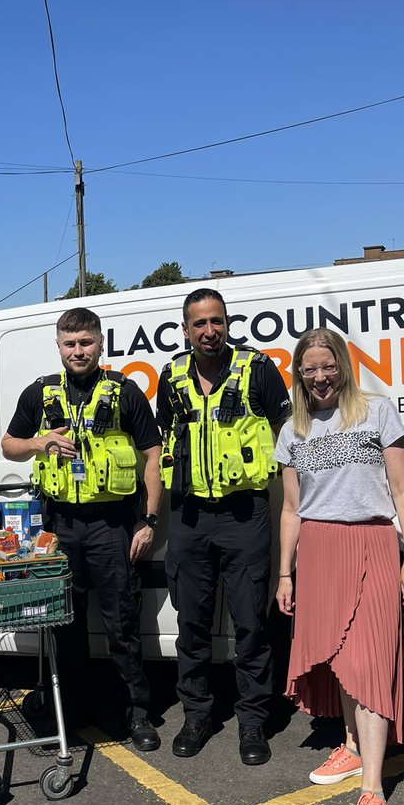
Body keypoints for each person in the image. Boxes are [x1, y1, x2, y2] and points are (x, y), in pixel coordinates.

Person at [275, 328, 404, 805]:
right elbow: (292, 510)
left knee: (370, 661)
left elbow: (403, 489)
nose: (319, 377)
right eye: (309, 369)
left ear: (342, 365)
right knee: (339, 660)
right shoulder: (292, 429)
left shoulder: (377, 412)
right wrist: (285, 571)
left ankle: (373, 792)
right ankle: (352, 746)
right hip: (317, 550)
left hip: (372, 544)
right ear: (299, 373)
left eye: (327, 366)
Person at [1, 307, 163, 750]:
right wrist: (40, 441)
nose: (78, 351)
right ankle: (70, 709)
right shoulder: (39, 394)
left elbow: (153, 455)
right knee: (64, 625)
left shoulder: (125, 392)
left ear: (100, 344)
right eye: (70, 344)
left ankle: (137, 714)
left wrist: (148, 521)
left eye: (86, 342)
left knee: (122, 624)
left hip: (112, 525)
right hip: (60, 524)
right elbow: (9, 445)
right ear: (58, 346)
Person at [156, 288, 291, 765]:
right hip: (190, 517)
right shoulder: (170, 377)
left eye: (217, 321)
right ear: (185, 329)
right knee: (190, 622)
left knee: (251, 622)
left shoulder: (256, 369)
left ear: (227, 323)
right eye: (199, 324)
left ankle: (253, 721)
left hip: (244, 514)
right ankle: (197, 715)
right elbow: (162, 442)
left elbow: (288, 432)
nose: (209, 331)